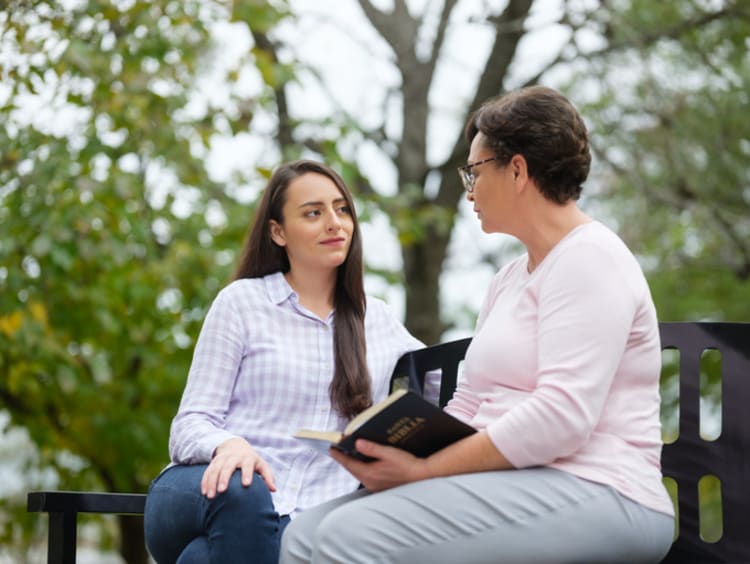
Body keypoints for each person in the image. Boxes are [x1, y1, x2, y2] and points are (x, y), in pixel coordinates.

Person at [279, 86, 676, 564]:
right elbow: (468, 401)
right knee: (304, 534)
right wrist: (397, 449)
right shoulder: (508, 279)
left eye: (474, 171)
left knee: (349, 537)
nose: (469, 190)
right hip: (511, 481)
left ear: (517, 170)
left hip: (604, 488)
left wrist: (423, 471)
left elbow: (562, 418)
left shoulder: (591, 258)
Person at [143, 160, 428, 564]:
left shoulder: (375, 319)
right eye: (314, 213)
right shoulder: (242, 303)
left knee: (201, 559)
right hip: (207, 491)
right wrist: (231, 446)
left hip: (310, 517)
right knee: (245, 487)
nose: (335, 223)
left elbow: (447, 388)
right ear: (278, 232)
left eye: (342, 209)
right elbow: (189, 424)